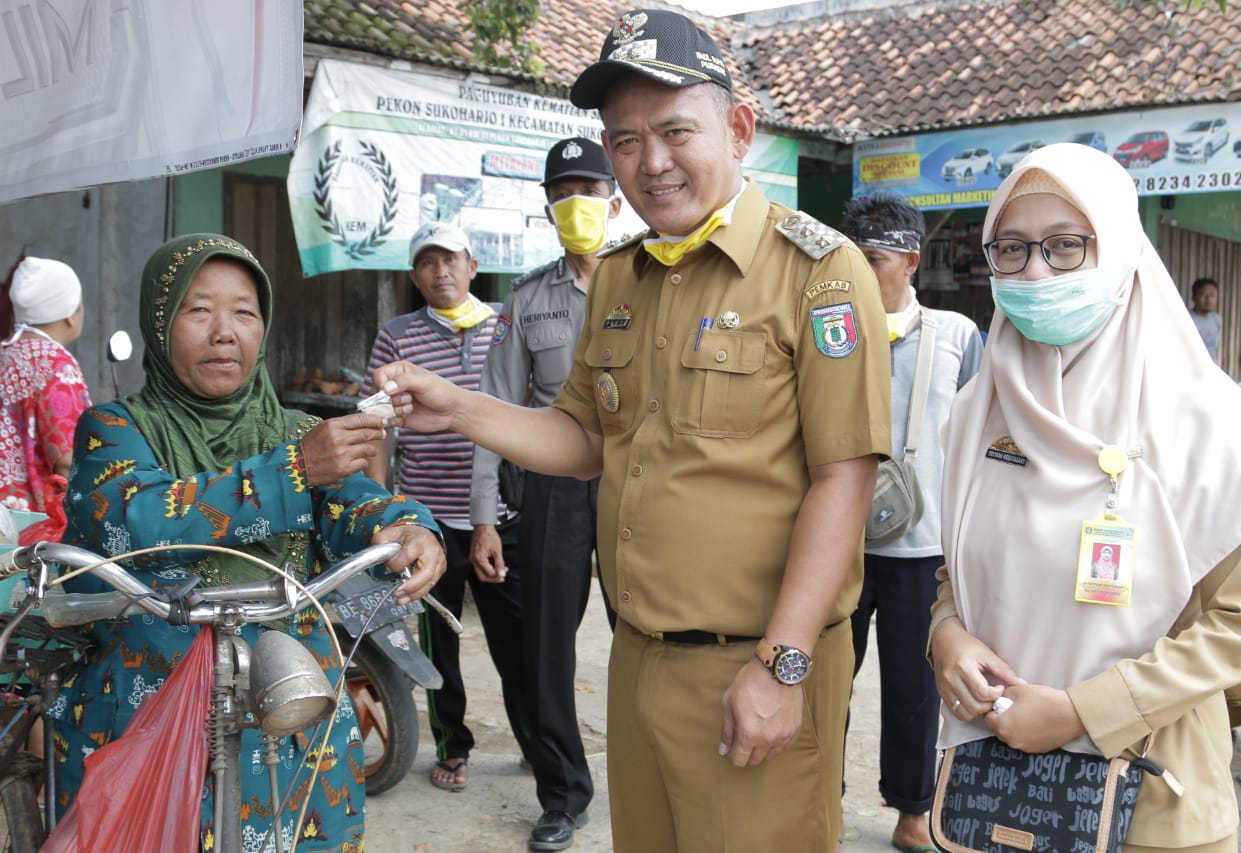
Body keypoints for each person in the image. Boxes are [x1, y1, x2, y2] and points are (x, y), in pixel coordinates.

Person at [372, 10, 891, 851]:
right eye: (624, 140)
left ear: (740, 129)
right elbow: (584, 440)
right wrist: (460, 405)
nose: (650, 162)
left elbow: (846, 477)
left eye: (675, 131)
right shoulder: (624, 274)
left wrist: (782, 664)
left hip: (754, 662)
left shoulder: (820, 273)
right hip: (636, 655)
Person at [929, 143, 1241, 851]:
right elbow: (957, 569)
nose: (1035, 271)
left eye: (1065, 247)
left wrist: (1084, 711)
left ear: (1119, 249)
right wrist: (947, 634)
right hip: (996, 787)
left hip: (1153, 797)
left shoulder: (1204, 416)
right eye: (1012, 248)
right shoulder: (981, 409)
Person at [54, 233, 445, 850]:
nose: (223, 331)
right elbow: (136, 518)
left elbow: (352, 500)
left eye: (244, 311)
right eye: (198, 308)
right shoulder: (114, 428)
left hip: (292, 697)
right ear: (159, 324)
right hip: (151, 703)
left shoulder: (297, 430)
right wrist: (293, 472)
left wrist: (406, 524)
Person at [469, 135, 621, 850]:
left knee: (656, 631)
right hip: (555, 482)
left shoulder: (649, 280)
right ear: (548, 210)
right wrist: (482, 519)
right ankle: (562, 792)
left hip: (639, 476)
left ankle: (670, 767)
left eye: (588, 192)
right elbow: (494, 414)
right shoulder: (527, 300)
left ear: (613, 200)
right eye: (563, 196)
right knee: (545, 645)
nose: (576, 206)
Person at [361, 222, 536, 798]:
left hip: (502, 515)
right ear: (415, 275)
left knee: (522, 640)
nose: (441, 272)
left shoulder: (503, 326)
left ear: (473, 265)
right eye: (428, 263)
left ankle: (540, 744)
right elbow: (377, 427)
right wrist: (383, 504)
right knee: (440, 642)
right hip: (430, 518)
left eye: (451, 260)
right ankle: (453, 746)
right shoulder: (397, 336)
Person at [838, 192, 981, 853]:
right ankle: (816, 794)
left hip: (923, 544)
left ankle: (913, 807)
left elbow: (979, 437)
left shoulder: (956, 336)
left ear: (910, 260)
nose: (858, 271)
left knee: (914, 685)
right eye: (851, 257)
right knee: (827, 676)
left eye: (871, 258)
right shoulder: (828, 330)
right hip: (835, 538)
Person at [0, 256, 91, 512]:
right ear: (71, 315)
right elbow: (67, 459)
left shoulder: (5, 353)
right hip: (31, 521)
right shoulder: (55, 363)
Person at [1189, 276, 1221, 362]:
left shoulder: (1216, 319)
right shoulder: (1187, 320)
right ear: (1194, 297)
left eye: (1212, 295)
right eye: (1203, 294)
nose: (1208, 299)